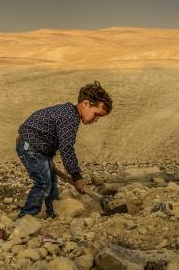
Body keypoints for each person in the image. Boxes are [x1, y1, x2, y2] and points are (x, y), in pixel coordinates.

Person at [15, 81, 112, 218]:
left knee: (52, 183)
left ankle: (52, 213)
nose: (96, 119)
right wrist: (76, 176)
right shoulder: (69, 118)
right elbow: (66, 148)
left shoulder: (70, 114)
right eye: (97, 114)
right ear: (85, 104)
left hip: (39, 148)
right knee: (43, 182)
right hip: (30, 147)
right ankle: (25, 217)